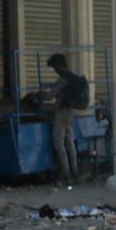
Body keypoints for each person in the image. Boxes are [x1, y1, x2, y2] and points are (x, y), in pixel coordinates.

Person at [43, 53, 88, 185]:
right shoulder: (74, 78)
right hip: (69, 112)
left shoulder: (64, 79)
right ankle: (75, 173)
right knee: (70, 142)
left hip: (61, 113)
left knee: (59, 143)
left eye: (55, 68)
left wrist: (40, 96)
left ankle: (66, 174)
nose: (55, 71)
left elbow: (50, 95)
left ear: (59, 66)